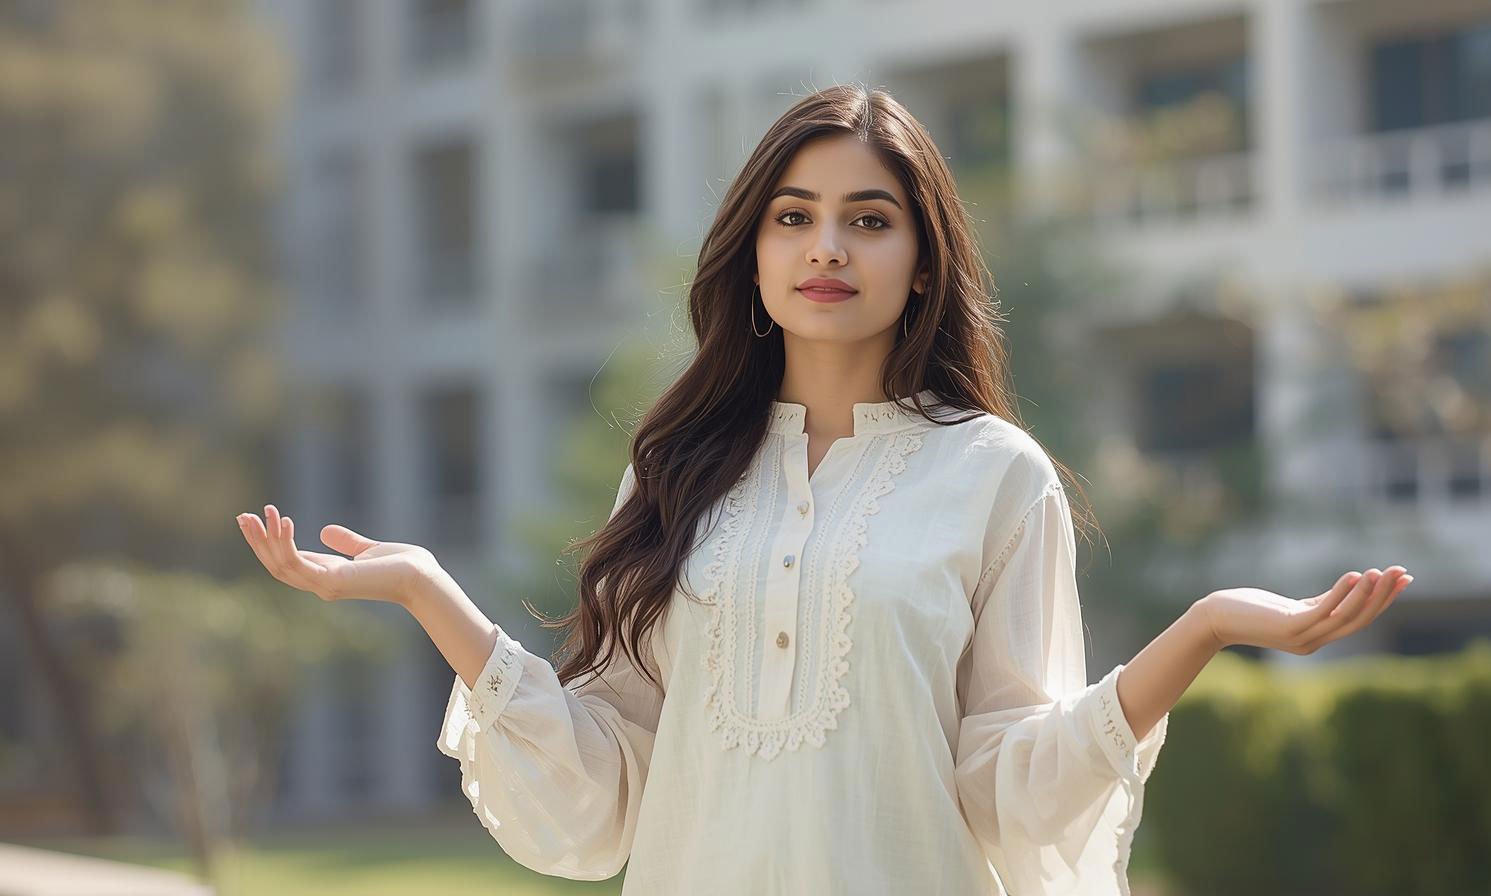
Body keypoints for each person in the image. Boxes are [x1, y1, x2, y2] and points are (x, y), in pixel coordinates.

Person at [236, 84, 1413, 895]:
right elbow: (602, 792)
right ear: (752, 255)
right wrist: (433, 596)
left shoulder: (997, 475)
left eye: (869, 219)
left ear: (923, 259)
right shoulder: (673, 469)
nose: (827, 248)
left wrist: (1202, 626)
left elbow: (1013, 792)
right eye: (793, 217)